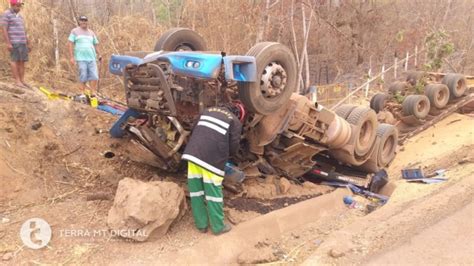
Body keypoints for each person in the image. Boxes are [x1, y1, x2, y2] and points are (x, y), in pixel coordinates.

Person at [182, 104, 243, 235]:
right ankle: (218, 227)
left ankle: (201, 225)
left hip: (193, 154)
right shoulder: (235, 121)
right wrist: (229, 157)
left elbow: (194, 129)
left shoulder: (207, 111)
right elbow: (233, 146)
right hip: (212, 159)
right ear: (239, 114)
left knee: (196, 192)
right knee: (213, 193)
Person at [1, 0, 31, 88]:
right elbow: (4, 29)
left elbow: (23, 30)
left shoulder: (20, 16)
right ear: (12, 5)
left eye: (20, 6)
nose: (19, 8)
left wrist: (28, 42)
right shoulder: (6, 14)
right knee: (14, 61)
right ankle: (17, 81)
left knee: (22, 61)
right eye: (17, 6)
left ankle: (22, 80)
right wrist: (8, 43)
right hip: (14, 42)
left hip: (22, 42)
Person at [68, 15, 101, 95]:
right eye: (82, 20)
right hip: (81, 58)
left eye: (85, 20)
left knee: (94, 76)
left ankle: (92, 93)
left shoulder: (91, 32)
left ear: (87, 22)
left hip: (92, 58)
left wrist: (99, 54)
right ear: (79, 22)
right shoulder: (74, 31)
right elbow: (70, 44)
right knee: (83, 75)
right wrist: (72, 57)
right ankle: (82, 92)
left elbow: (96, 44)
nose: (83, 22)